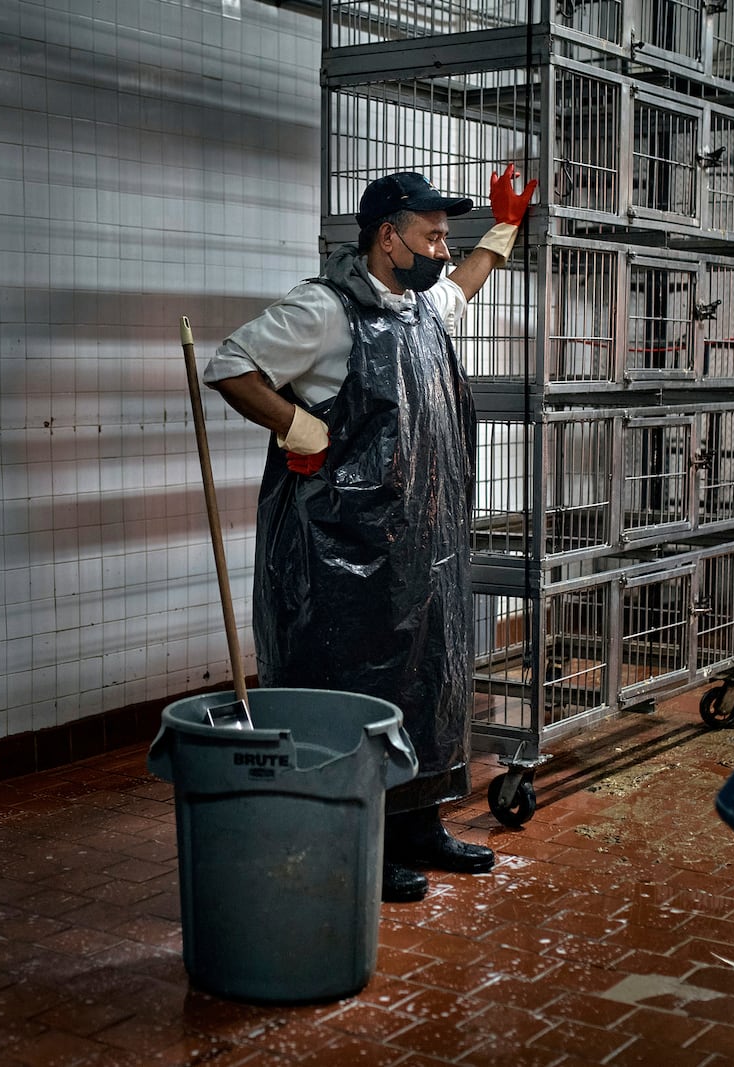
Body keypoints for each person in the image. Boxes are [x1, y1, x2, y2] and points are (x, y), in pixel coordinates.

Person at [203, 165, 537, 903]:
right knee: (358, 694)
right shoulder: (326, 309)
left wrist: (505, 229)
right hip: (342, 558)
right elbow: (230, 364)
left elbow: (465, 284)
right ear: (388, 237)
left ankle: (417, 827)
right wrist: (295, 421)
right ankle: (359, 837)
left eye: (447, 237)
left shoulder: (417, 307)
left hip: (422, 548)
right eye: (432, 236)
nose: (444, 251)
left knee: (423, 686)